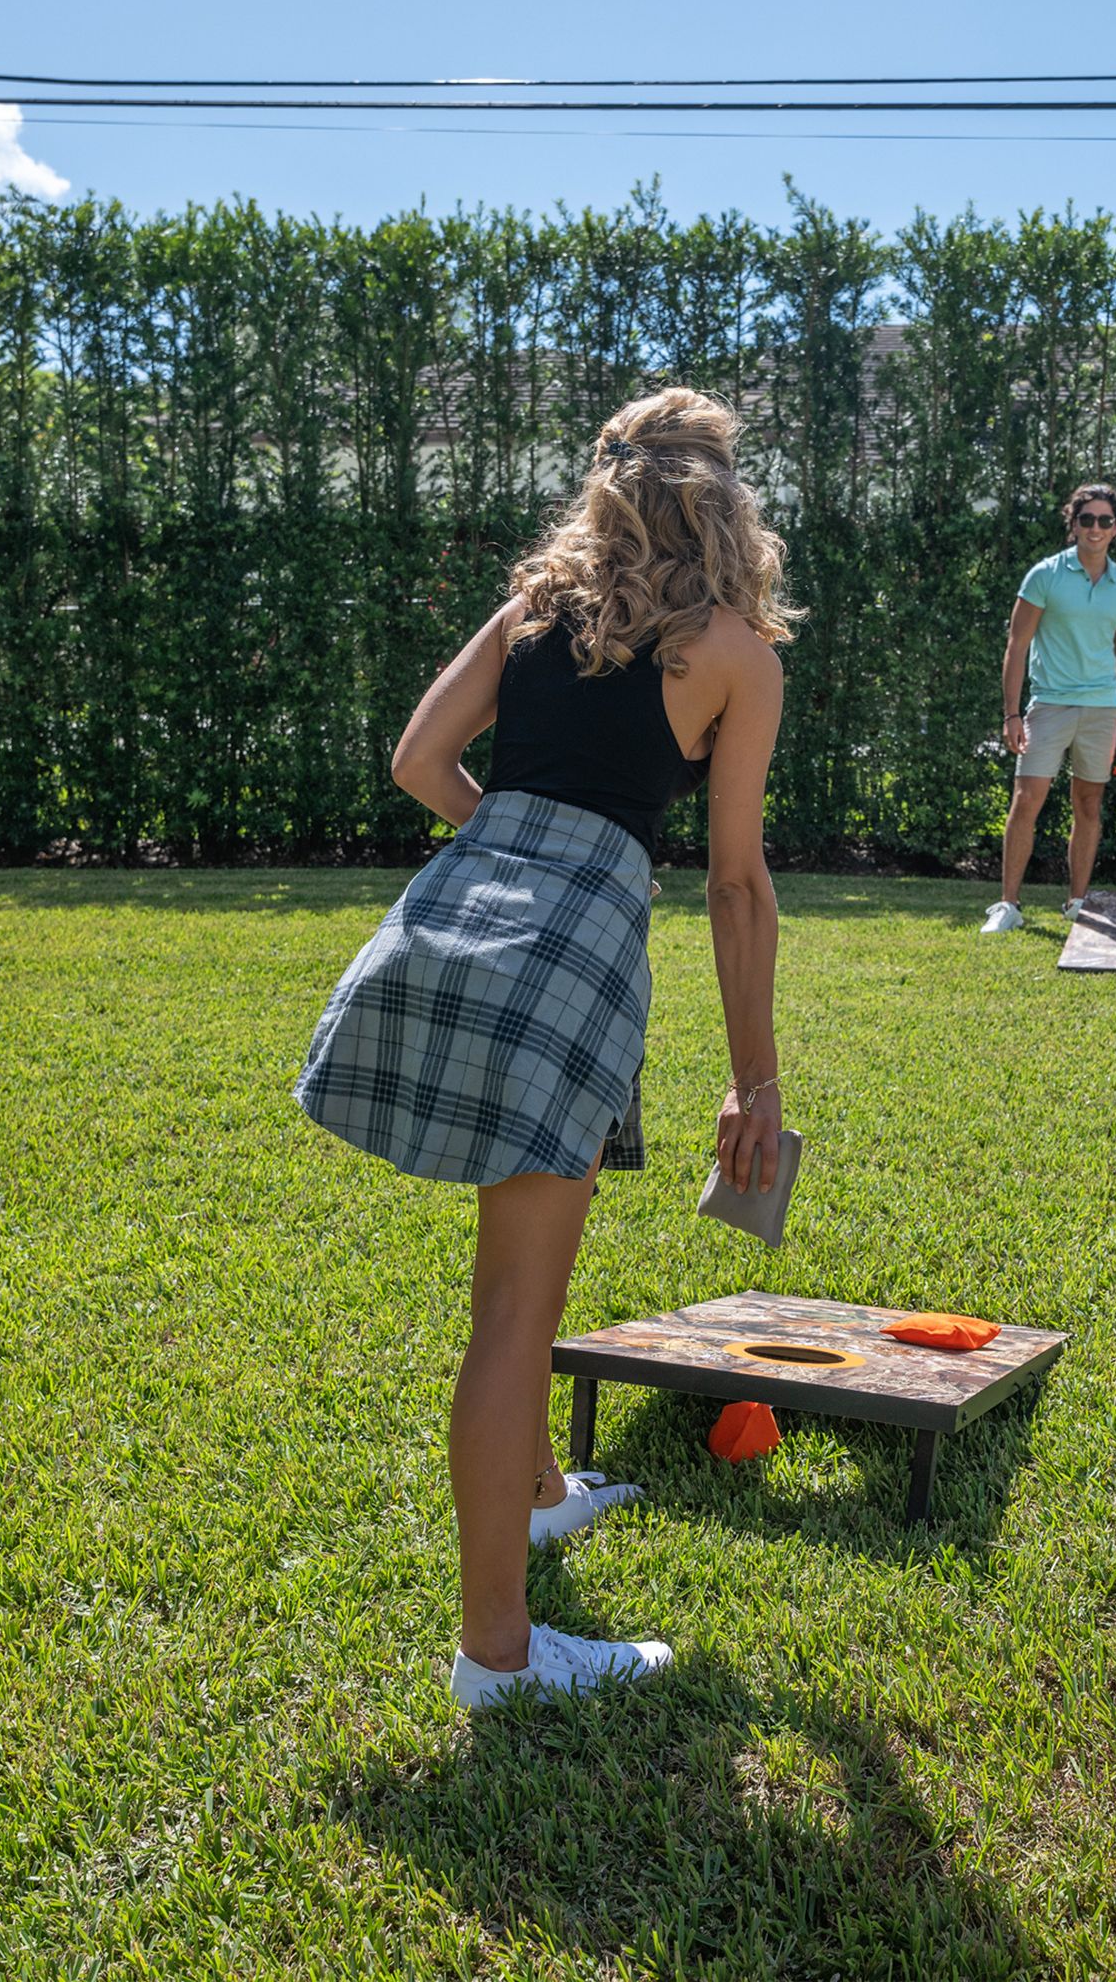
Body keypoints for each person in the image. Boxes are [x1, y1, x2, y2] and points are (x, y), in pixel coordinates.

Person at [294, 388, 791, 1701]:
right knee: (517, 1309)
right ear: (721, 497)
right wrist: (757, 1078)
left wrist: (510, 842)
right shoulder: (735, 652)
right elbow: (734, 887)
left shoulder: (533, 611)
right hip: (569, 961)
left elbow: (418, 759)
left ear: (610, 489)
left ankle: (539, 1496)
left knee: (510, 1281)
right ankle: (497, 1657)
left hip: (440, 925)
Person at [982, 484, 1116, 933]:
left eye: (1105, 521)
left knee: (1089, 804)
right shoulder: (1044, 576)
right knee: (1026, 801)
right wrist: (1012, 713)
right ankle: (1008, 905)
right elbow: (1016, 644)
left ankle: (1078, 902)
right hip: (1049, 706)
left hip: (1102, 711)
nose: (1095, 528)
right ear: (1073, 524)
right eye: (1087, 520)